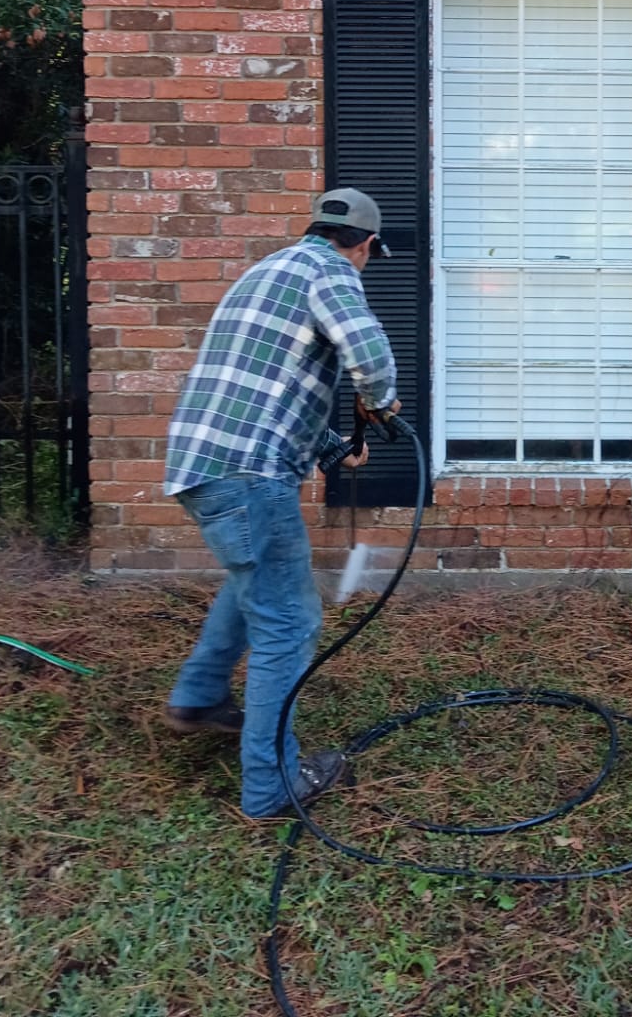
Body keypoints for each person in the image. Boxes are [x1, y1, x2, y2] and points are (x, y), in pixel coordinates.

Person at [161, 187, 399, 819]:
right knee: (288, 624)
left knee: (253, 583)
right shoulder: (331, 270)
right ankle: (272, 786)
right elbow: (370, 355)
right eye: (372, 253)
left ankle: (198, 697)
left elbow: (263, 384)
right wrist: (378, 400)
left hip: (201, 464)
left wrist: (329, 446)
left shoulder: (265, 272)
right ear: (366, 244)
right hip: (249, 474)